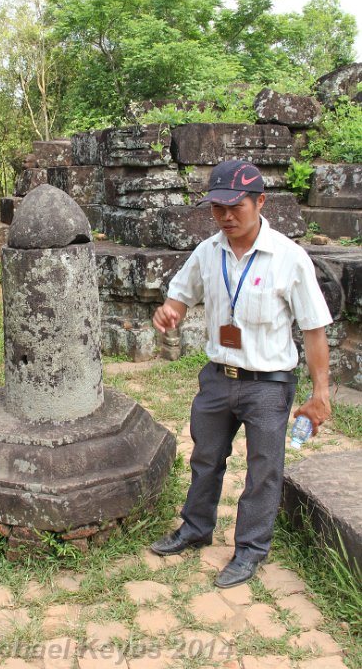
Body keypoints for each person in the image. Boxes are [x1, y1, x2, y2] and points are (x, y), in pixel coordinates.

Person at [150, 159, 332, 588]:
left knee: (263, 469)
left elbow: (314, 330)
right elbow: (180, 296)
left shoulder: (290, 258)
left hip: (268, 385)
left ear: (261, 202)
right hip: (217, 378)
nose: (226, 217)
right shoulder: (208, 252)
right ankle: (196, 528)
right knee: (206, 458)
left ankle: (250, 549)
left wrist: (320, 392)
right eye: (217, 208)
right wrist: (170, 312)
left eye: (236, 207)